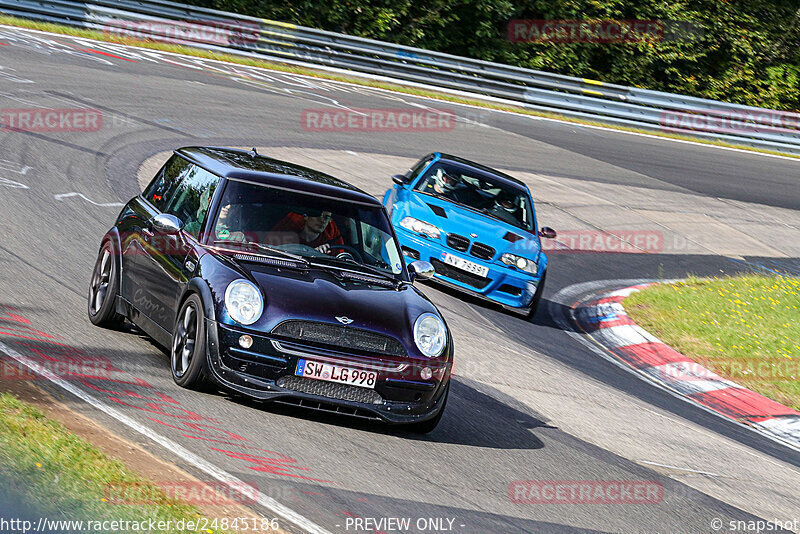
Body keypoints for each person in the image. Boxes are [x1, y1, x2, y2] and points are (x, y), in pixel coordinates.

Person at [271, 209, 344, 253]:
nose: (322, 220)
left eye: (326, 217)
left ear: (330, 221)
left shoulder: (332, 244)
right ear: (306, 216)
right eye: (318, 215)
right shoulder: (286, 236)